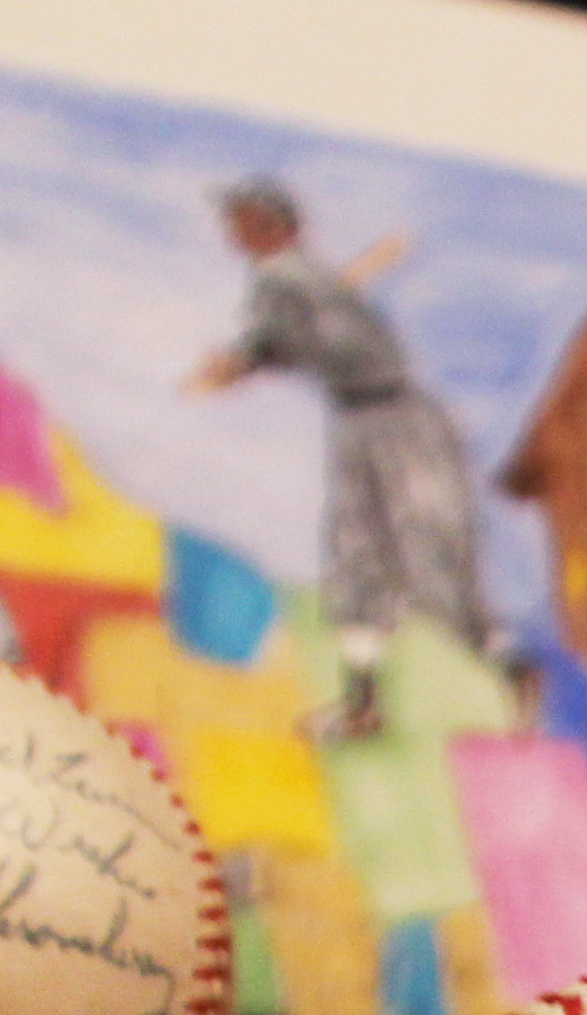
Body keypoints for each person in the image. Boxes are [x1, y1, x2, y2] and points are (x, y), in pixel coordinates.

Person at [188, 183, 485, 732]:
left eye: (243, 218)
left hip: (390, 422)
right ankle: (364, 704)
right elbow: (298, 338)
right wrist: (249, 357)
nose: (234, 230)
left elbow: (284, 341)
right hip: (370, 419)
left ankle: (508, 674)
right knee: (364, 556)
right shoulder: (301, 281)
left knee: (421, 551)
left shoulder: (281, 279)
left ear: (273, 224)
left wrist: (241, 362)